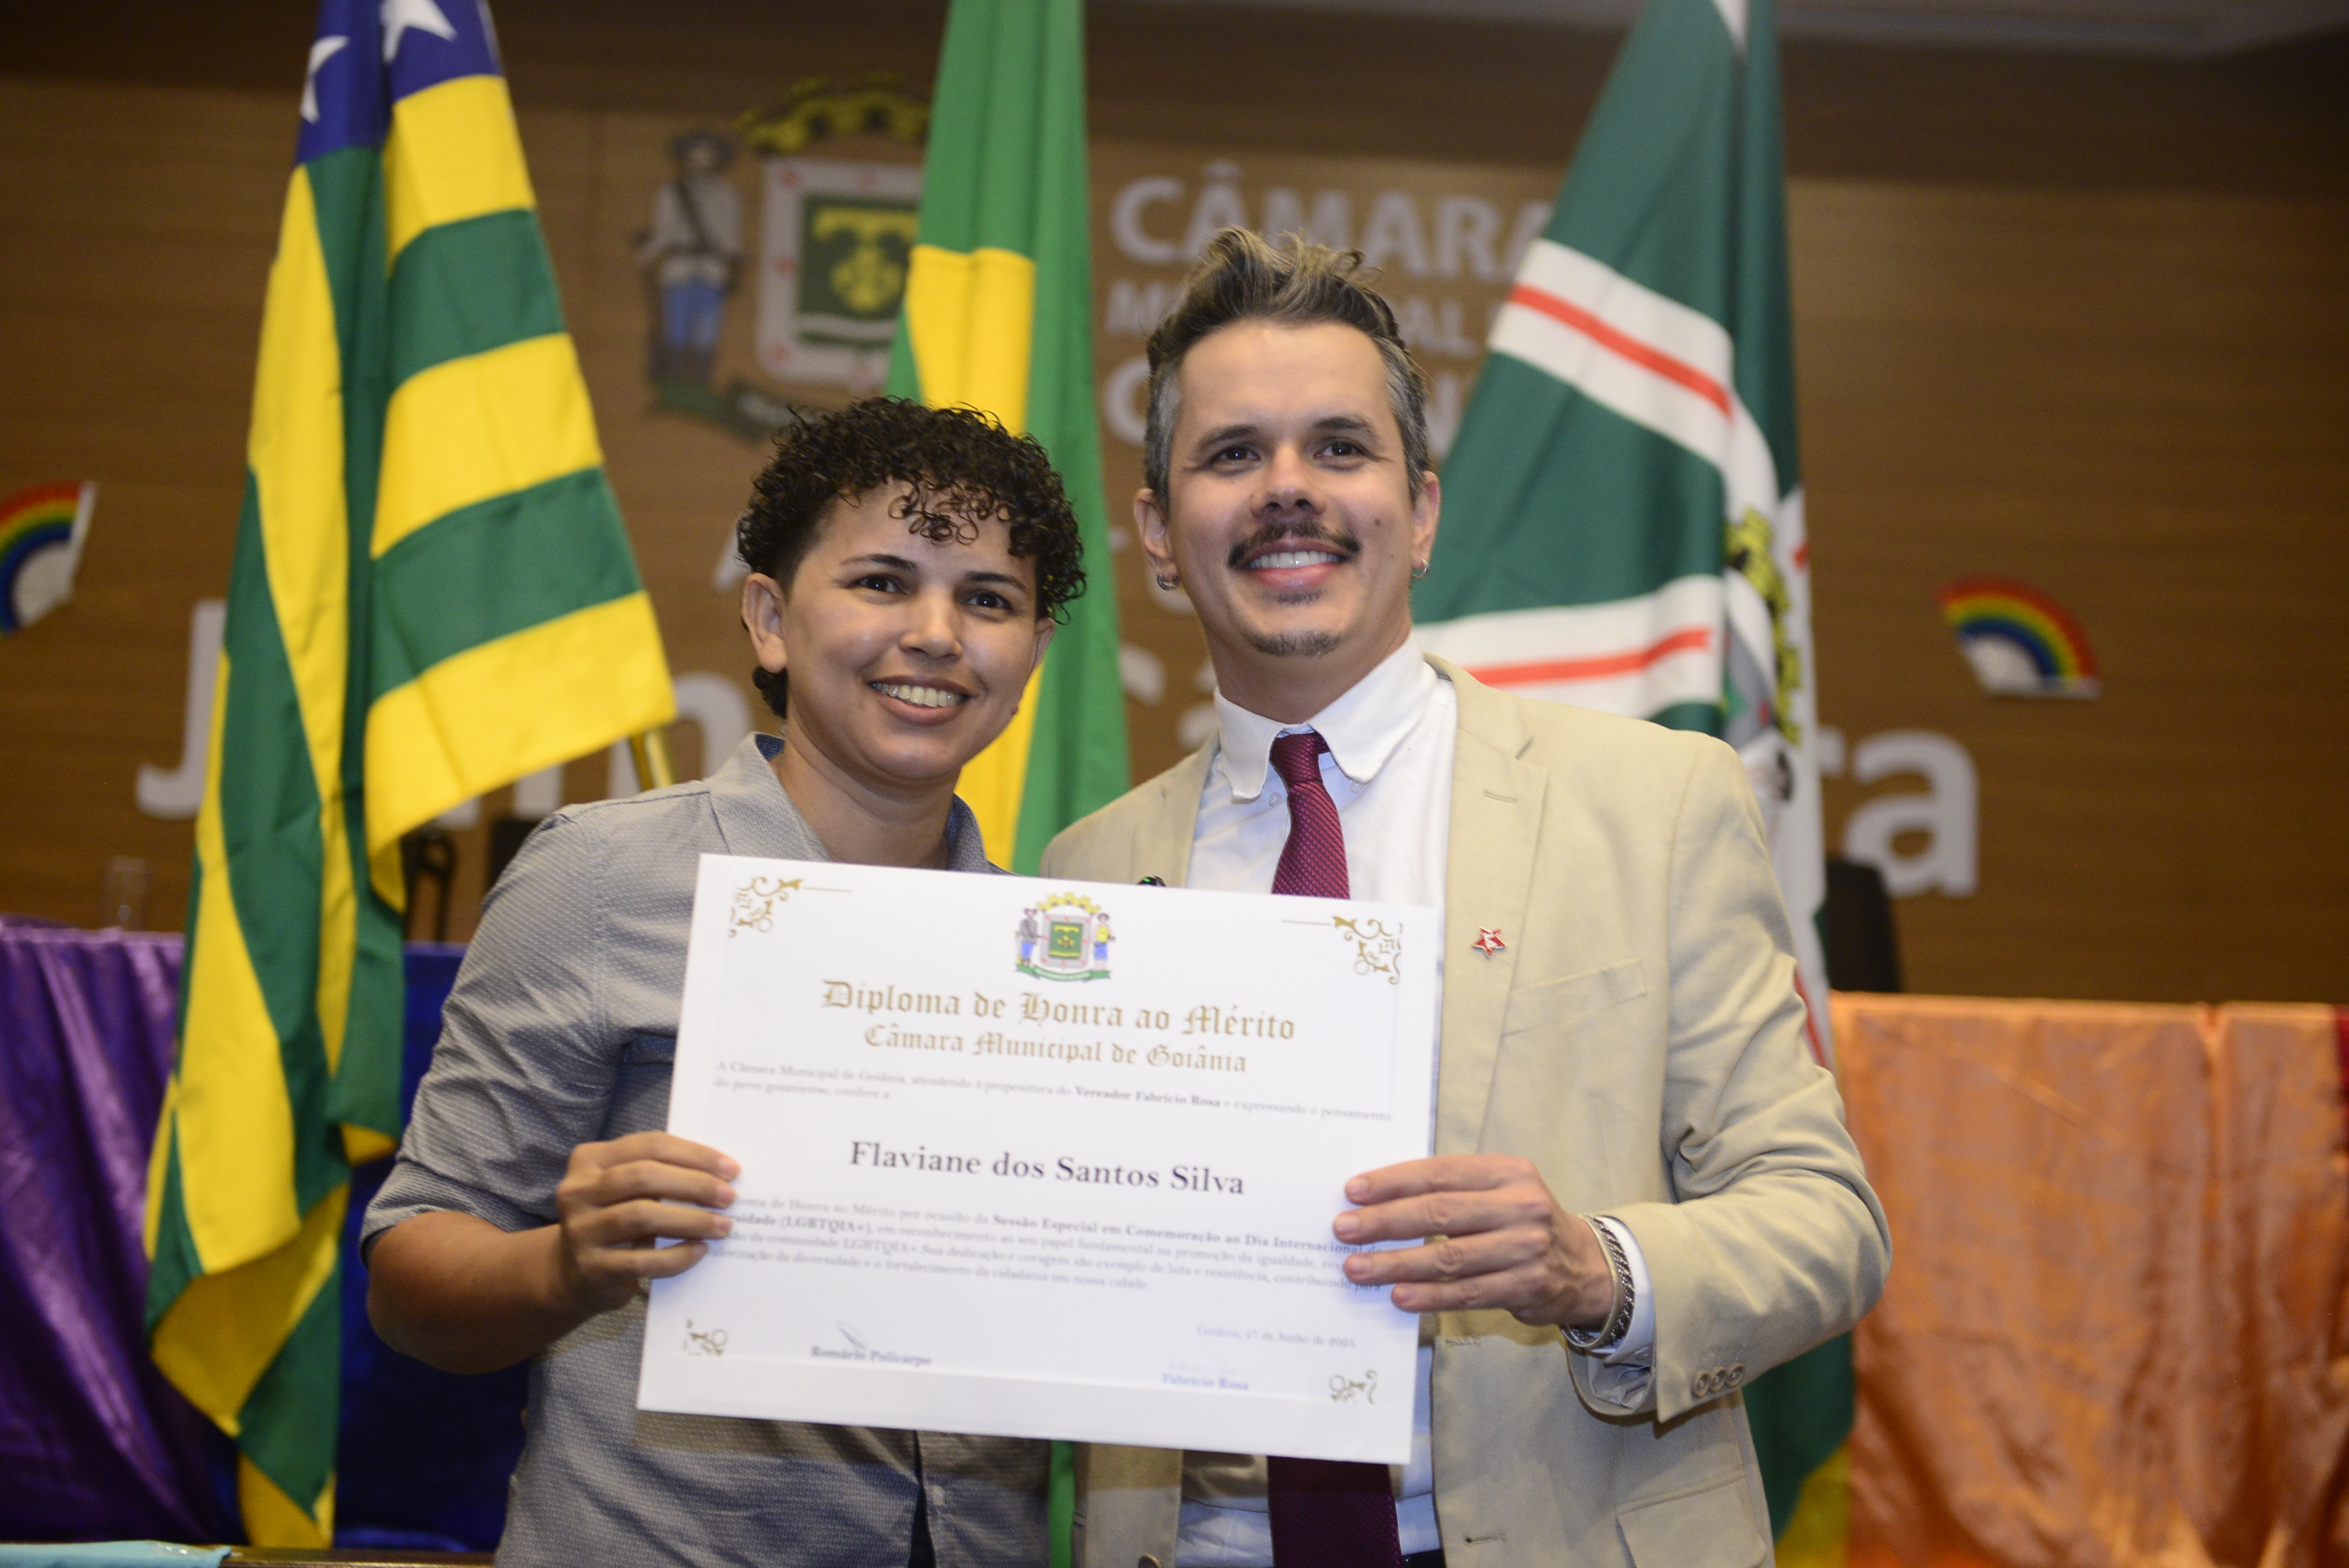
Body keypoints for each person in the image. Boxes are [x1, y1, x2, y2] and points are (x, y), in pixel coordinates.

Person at [1039, 231, 1891, 1568]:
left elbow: (1825, 1221)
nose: (1288, 490)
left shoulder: (1654, 804)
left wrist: (1595, 1269)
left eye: (1339, 448)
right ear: (1156, 530)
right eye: (1232, 454)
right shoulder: (1085, 875)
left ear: (1423, 511)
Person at [363, 397, 1085, 1567]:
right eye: (882, 582)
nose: (937, 633)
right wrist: (565, 1265)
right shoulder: (601, 877)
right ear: (770, 619)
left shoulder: (1047, 953)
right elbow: (409, 1284)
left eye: (989, 600)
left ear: (1033, 653)